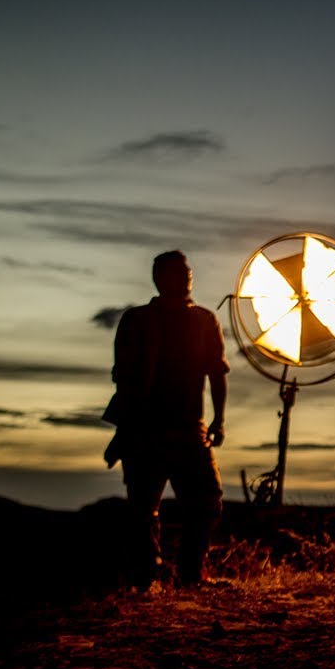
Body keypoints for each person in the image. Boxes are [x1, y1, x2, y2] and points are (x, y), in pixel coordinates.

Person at [103, 250, 228, 588]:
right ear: (160, 277)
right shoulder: (136, 320)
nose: (187, 275)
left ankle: (189, 574)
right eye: (178, 271)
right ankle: (146, 576)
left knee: (206, 502)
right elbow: (125, 376)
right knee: (143, 510)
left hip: (190, 430)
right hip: (146, 432)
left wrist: (218, 419)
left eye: (187, 270)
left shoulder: (205, 320)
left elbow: (217, 372)